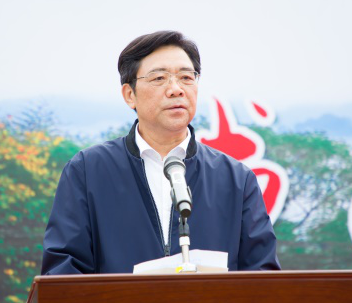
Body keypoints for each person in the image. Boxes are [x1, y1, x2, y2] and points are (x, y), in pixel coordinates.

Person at [41, 31, 281, 274]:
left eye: (186, 77)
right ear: (130, 95)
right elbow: (64, 270)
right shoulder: (88, 171)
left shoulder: (236, 179)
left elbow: (263, 276)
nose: (176, 89)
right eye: (159, 78)